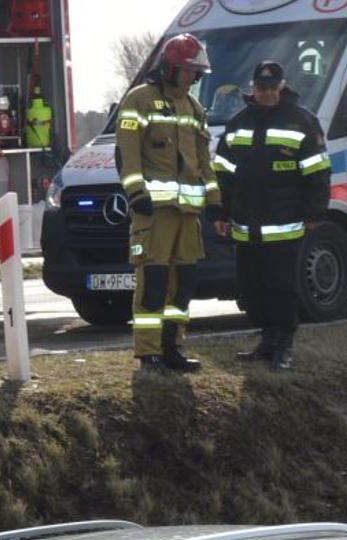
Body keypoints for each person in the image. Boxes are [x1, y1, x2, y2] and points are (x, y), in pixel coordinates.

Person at [213, 61, 331, 372]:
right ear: (252, 88)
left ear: (282, 87)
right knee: (251, 287)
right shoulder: (237, 123)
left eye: (272, 88)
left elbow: (318, 172)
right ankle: (266, 342)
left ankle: (284, 346)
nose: (266, 93)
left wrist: (315, 212)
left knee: (282, 286)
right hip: (245, 225)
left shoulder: (302, 121)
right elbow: (222, 172)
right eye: (261, 87)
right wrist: (220, 211)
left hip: (285, 223)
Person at [116, 33, 220, 374]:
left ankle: (173, 347)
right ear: (170, 68)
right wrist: (136, 193)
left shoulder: (194, 108)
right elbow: (127, 152)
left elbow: (205, 160)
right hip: (154, 213)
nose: (191, 77)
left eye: (195, 72)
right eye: (186, 71)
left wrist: (215, 200)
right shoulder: (139, 100)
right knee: (154, 283)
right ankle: (149, 354)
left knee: (183, 284)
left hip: (187, 214)